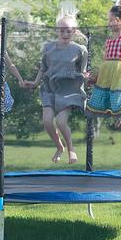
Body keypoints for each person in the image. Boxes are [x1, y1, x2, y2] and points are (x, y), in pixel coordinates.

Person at [24, 11, 88, 164]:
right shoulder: (48, 48)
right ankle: (60, 147)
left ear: (74, 32)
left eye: (69, 31)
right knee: (47, 121)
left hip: (69, 91)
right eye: (62, 30)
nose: (65, 33)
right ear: (57, 30)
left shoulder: (80, 50)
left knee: (60, 121)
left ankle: (71, 149)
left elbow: (83, 71)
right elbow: (43, 68)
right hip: (50, 89)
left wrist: (86, 78)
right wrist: (34, 82)